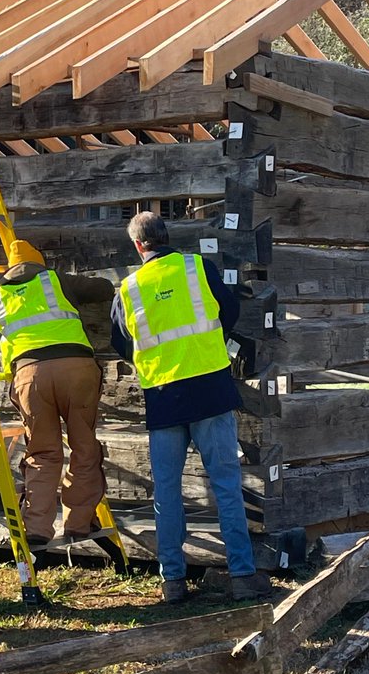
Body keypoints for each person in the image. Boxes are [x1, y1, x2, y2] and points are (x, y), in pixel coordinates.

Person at [111, 211, 271, 603]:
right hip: (211, 390)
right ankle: (242, 576)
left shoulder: (128, 288)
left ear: (137, 246)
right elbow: (228, 311)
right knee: (227, 486)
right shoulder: (197, 266)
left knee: (166, 493)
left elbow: (122, 343)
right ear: (167, 237)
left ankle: (173, 582)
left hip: (164, 398)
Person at [0, 239, 113, 559]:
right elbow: (103, 288)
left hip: (30, 377)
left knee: (42, 452)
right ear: (39, 265)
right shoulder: (57, 281)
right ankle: (78, 523)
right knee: (83, 446)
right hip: (77, 369)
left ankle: (37, 529)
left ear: (9, 270)